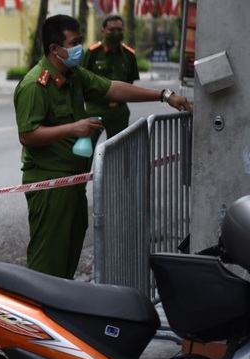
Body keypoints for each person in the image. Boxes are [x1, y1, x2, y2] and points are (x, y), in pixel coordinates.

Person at [13, 14, 191, 279]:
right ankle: (33, 316)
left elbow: (114, 89)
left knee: (68, 255)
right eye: (74, 43)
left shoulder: (73, 75)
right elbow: (28, 135)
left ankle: (60, 312)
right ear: (54, 49)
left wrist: (164, 96)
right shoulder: (34, 85)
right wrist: (74, 128)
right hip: (50, 183)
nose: (79, 49)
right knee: (47, 262)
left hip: (74, 181)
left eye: (80, 41)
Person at [82, 15, 140, 145]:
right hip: (95, 109)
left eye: (119, 30)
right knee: (85, 150)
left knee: (118, 151)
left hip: (119, 111)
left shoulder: (129, 55)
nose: (116, 33)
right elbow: (82, 80)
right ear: (103, 31)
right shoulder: (92, 53)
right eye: (111, 29)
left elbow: (130, 83)